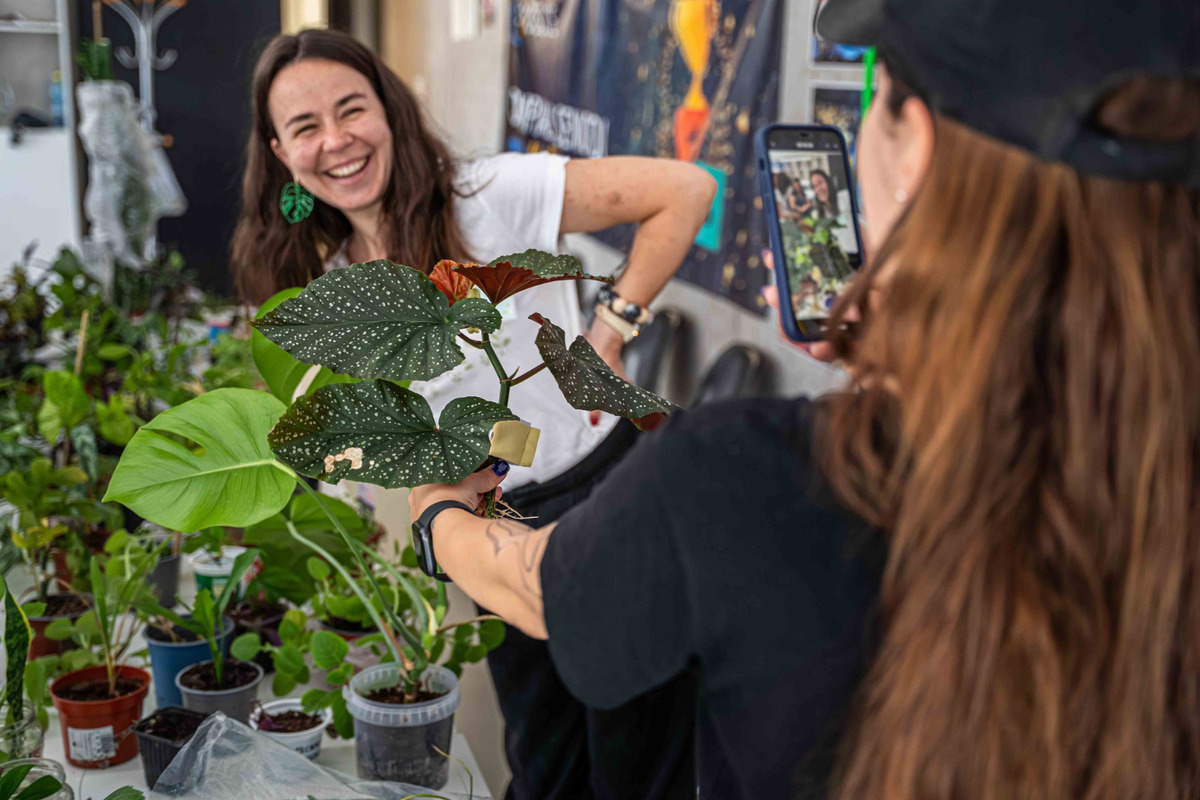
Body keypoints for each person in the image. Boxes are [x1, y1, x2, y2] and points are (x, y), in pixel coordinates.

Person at [409, 0, 1200, 797]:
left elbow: (535, 588)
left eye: (879, 99)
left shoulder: (742, 478)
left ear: (915, 148)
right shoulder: (1154, 486)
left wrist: (436, 517)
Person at [229, 29, 717, 800]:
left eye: (352, 110)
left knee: (638, 762)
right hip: (494, 526)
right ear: (280, 152)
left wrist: (609, 333)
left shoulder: (491, 193)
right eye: (305, 128)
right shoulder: (328, 282)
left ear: (390, 112)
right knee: (545, 762)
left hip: (606, 495)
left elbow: (686, 189)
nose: (336, 141)